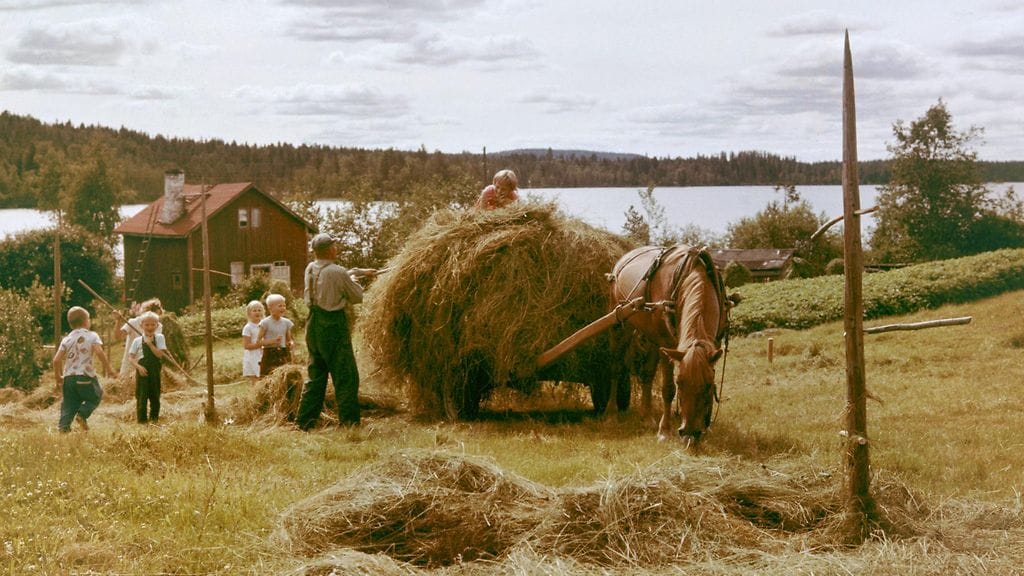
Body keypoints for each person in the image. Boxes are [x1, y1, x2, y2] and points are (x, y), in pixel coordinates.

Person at [297, 233, 378, 429]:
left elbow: (329, 278)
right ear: (330, 249)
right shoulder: (337, 271)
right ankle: (349, 423)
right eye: (335, 245)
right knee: (346, 375)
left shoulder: (311, 268)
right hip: (332, 325)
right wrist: (355, 279)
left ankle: (304, 422)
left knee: (316, 375)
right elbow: (357, 296)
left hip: (313, 324)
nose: (337, 248)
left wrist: (357, 272)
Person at [53, 306, 113, 433]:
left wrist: (58, 377)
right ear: (86, 321)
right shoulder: (92, 335)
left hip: (68, 378)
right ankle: (82, 415)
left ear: (70, 324)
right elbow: (99, 352)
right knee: (96, 395)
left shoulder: (66, 339)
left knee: (69, 405)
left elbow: (56, 360)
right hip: (85, 376)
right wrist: (109, 369)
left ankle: (63, 429)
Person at [126, 311, 167, 424]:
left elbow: (159, 354)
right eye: (147, 325)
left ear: (157, 325)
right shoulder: (137, 341)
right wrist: (138, 367)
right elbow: (130, 358)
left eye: (153, 324)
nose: (150, 327)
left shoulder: (159, 338)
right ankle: (142, 422)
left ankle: (154, 420)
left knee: (155, 396)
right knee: (141, 397)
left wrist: (149, 344)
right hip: (142, 371)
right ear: (141, 325)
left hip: (154, 371)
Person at [119, 298, 163, 378]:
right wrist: (118, 321)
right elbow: (118, 337)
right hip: (130, 364)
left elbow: (157, 347)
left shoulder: (159, 326)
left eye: (157, 318)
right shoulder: (133, 323)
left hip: (149, 365)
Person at [257, 293, 294, 376]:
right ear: (270, 308)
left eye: (284, 306)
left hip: (283, 353)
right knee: (269, 376)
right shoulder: (265, 323)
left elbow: (289, 339)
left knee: (285, 376)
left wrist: (290, 343)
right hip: (270, 353)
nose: (283, 308)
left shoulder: (286, 322)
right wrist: (272, 341)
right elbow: (258, 342)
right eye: (280, 306)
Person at [241, 300, 265, 381]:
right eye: (254, 310)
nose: (257, 312)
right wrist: (261, 344)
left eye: (259, 310)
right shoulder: (248, 327)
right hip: (253, 355)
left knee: (264, 376)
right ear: (249, 313)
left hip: (264, 353)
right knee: (255, 378)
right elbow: (247, 346)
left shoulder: (265, 324)